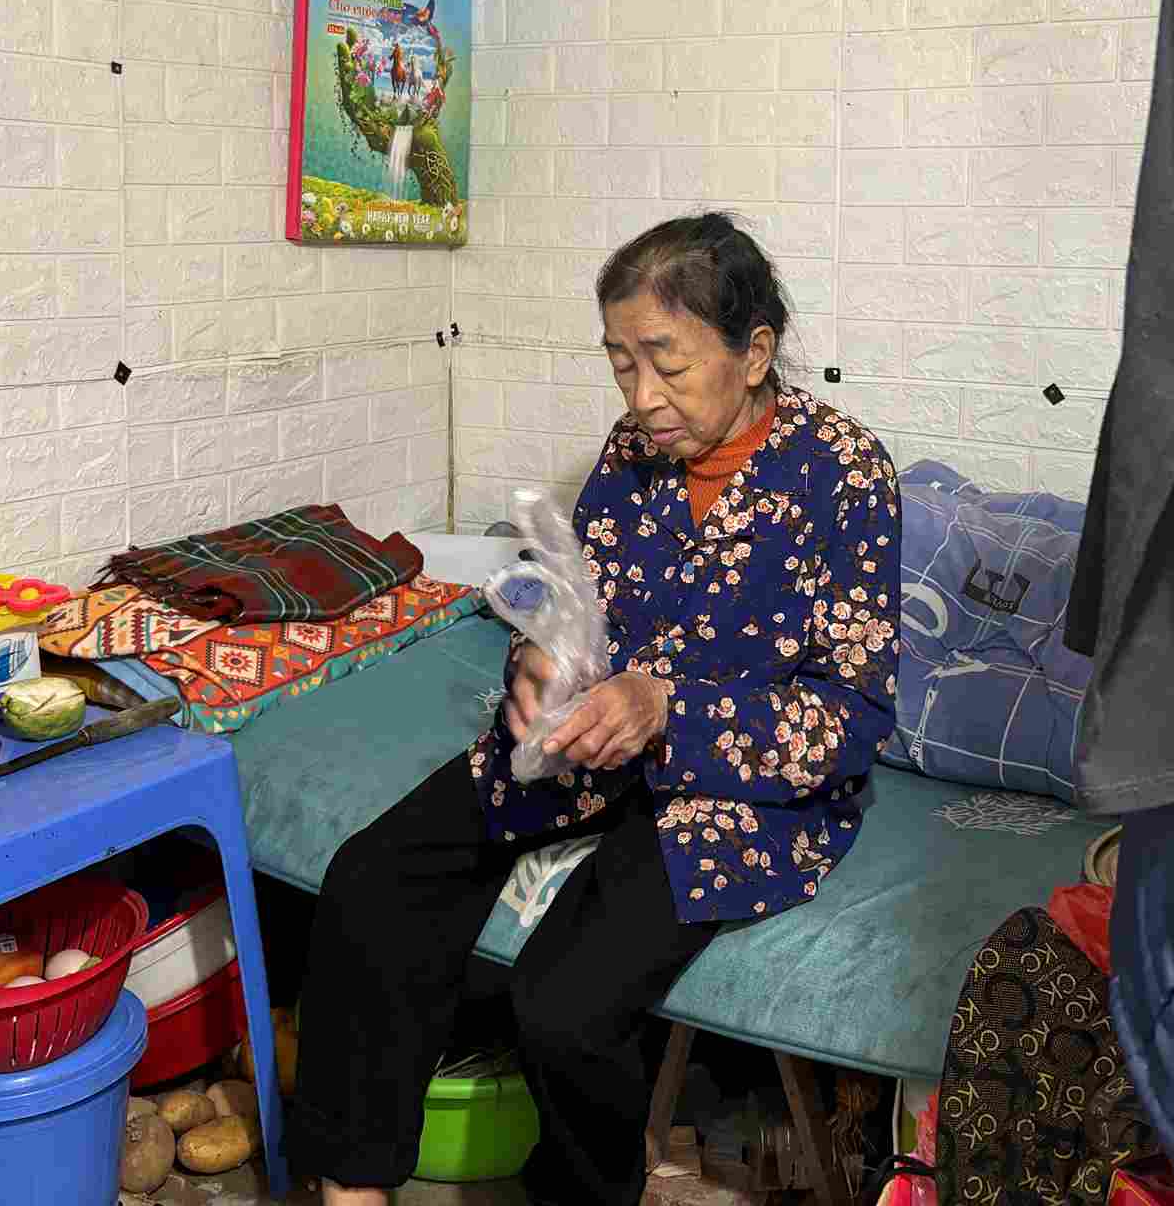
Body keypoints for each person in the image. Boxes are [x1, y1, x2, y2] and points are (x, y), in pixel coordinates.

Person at [290, 212, 902, 1206]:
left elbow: (849, 720)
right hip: (593, 741)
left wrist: (668, 707)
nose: (642, 396)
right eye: (622, 364)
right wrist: (543, 659)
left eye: (667, 363)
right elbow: (582, 604)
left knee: (563, 1004)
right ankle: (352, 1185)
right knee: (374, 876)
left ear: (754, 353)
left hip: (743, 791)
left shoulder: (844, 473)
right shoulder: (631, 455)